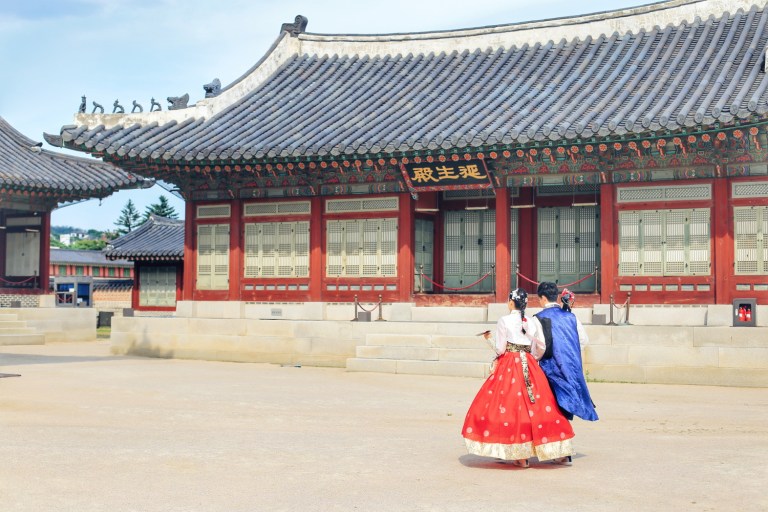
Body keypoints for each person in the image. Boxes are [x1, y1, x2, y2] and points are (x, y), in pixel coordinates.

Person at [462, 288, 575, 468]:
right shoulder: (531, 321)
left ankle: (519, 455)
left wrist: (488, 339)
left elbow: (500, 349)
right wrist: (533, 359)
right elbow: (539, 347)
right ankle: (557, 449)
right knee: (540, 405)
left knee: (509, 407)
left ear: (510, 302)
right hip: (529, 364)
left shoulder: (504, 320)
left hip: (510, 364)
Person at [533, 282, 598, 423]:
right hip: (571, 366)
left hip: (550, 368)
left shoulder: (538, 318)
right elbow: (583, 340)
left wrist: (535, 359)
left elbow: (540, 347)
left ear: (543, 298)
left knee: (551, 405)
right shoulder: (571, 317)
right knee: (566, 405)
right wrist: (569, 351)